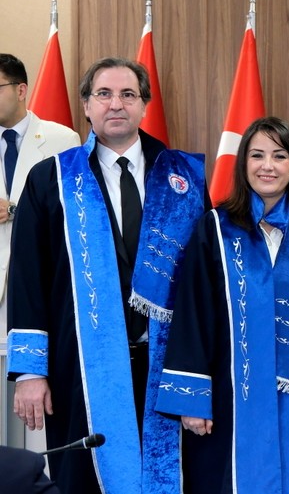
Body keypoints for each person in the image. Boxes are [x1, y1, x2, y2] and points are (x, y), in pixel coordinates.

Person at [6, 57, 207, 494]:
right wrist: (29, 373)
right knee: (84, 480)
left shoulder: (184, 180)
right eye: (104, 94)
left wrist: (200, 370)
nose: (116, 104)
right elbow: (27, 278)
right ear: (86, 106)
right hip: (80, 368)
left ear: (144, 105)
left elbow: (204, 284)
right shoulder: (51, 179)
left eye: (128, 94)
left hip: (167, 367)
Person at [156, 116, 289, 493]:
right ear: (243, 164)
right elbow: (193, 313)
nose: (267, 165)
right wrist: (192, 399)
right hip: (229, 396)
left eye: (279, 156)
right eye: (257, 155)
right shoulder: (215, 228)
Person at [1, 53, 80, 357]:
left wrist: (14, 210)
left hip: (38, 285)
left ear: (21, 90)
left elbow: (73, 213)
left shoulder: (62, 140)